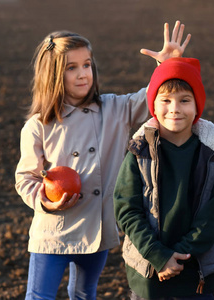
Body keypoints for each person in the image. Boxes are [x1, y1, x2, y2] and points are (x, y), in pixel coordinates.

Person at [15, 21, 192, 300]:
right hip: (53, 232)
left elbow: (150, 99)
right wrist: (45, 201)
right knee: (39, 296)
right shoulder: (39, 125)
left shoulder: (113, 109)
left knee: (85, 293)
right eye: (71, 68)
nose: (83, 74)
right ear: (52, 75)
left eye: (87, 65)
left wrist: (165, 68)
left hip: (95, 228)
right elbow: (26, 178)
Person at [114, 57, 214, 300]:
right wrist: (159, 256)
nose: (175, 108)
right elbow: (126, 209)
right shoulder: (139, 152)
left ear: (197, 105)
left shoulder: (210, 153)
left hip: (198, 276)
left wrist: (180, 255)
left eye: (184, 100)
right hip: (150, 274)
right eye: (166, 100)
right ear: (154, 106)